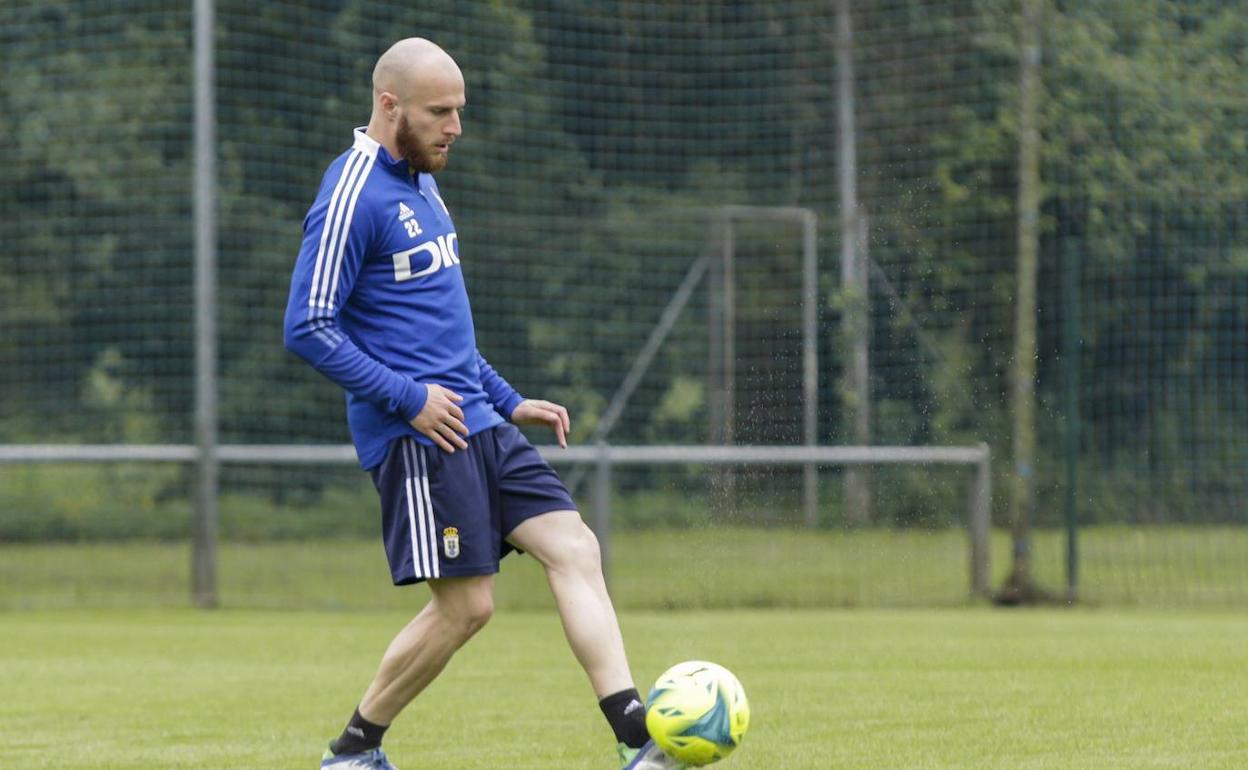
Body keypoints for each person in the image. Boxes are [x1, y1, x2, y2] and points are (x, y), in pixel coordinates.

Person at [283, 38, 683, 770]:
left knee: (575, 547)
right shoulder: (352, 193)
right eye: (440, 112)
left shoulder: (424, 186)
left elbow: (444, 331)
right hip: (421, 436)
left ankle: (638, 738)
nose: (456, 127)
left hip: (483, 420)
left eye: (459, 110)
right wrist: (407, 399)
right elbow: (308, 325)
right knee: (467, 607)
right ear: (389, 106)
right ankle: (353, 752)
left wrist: (507, 398)